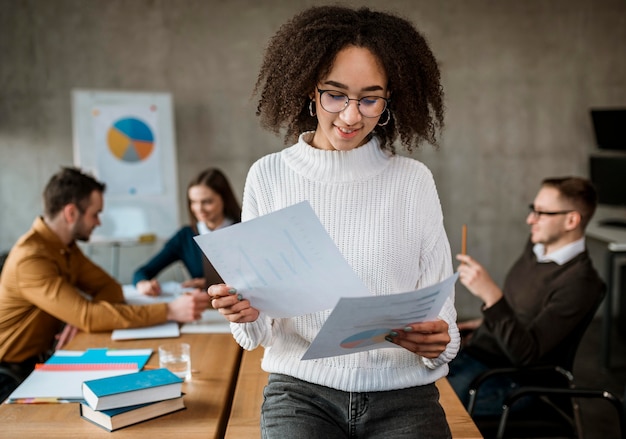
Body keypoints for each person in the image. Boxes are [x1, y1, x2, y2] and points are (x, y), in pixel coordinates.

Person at [209, 6, 458, 438]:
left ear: (389, 101)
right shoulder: (268, 176)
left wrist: (439, 343)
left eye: (369, 98)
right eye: (336, 94)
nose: (350, 116)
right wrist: (244, 312)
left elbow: (444, 323)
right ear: (310, 89)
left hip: (402, 396)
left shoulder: (413, 181)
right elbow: (257, 334)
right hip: (302, 393)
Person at [0, 167, 211, 401]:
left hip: (41, 360)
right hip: (9, 374)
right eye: (95, 214)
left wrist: (82, 315)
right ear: (71, 213)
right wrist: (169, 310)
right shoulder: (31, 258)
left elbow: (110, 288)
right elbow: (89, 315)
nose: (99, 222)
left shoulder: (63, 246)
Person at [448, 176, 605, 416]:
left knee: (426, 407)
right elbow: (523, 311)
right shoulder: (536, 248)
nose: (530, 219)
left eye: (542, 213)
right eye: (533, 209)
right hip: (479, 354)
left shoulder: (580, 283)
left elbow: (528, 356)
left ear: (571, 220)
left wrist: (491, 296)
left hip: (513, 380)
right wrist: (483, 325)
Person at [132, 168, 241, 296]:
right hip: (206, 310)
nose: (199, 209)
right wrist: (143, 284)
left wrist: (208, 283)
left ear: (224, 199)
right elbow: (142, 272)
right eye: (193, 202)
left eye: (207, 202)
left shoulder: (243, 229)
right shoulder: (185, 236)